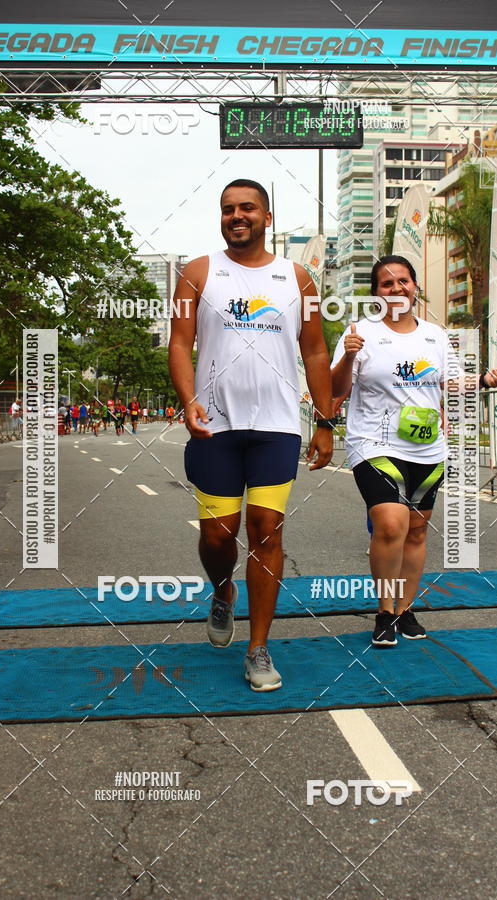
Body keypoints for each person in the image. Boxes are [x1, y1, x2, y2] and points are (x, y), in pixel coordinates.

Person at [169, 178, 333, 691]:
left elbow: (315, 351)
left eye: (247, 208)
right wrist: (188, 399)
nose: (236, 216)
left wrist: (324, 421)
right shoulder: (197, 273)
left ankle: (258, 648)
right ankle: (223, 591)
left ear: (267, 217)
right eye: (227, 209)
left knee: (266, 530)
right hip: (214, 425)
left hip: (276, 427)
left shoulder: (298, 279)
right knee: (218, 537)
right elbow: (180, 342)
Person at [331, 255, 497, 648]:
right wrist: (348, 355)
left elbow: (451, 384)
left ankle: (404, 609)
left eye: (403, 281)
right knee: (391, 524)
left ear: (415, 287)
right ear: (376, 293)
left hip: (428, 448)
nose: (396, 288)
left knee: (416, 530)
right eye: (387, 283)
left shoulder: (435, 335)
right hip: (375, 442)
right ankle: (385, 611)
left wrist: (485, 380)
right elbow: (336, 388)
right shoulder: (360, 333)